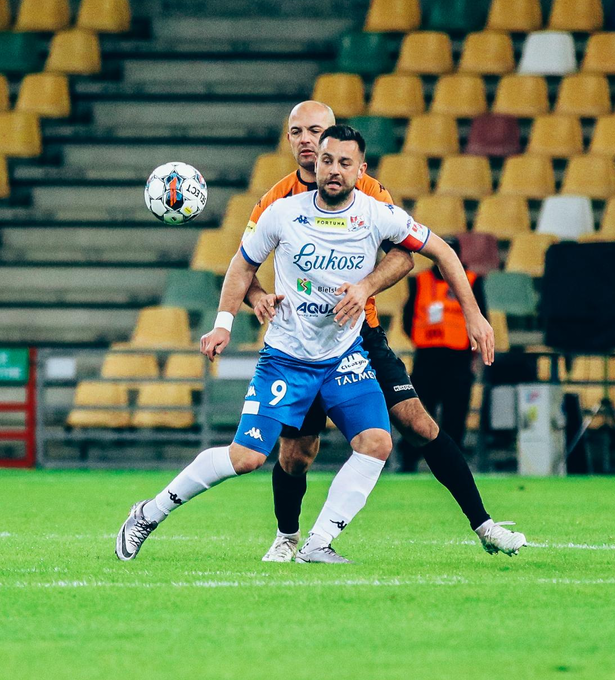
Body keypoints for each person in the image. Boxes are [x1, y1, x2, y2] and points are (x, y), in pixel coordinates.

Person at [116, 125, 495, 563]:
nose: (334, 170)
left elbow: (441, 251)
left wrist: (473, 315)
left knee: (377, 442)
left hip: (344, 356)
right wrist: (223, 324)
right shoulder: (282, 212)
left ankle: (318, 543)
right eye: (327, 160)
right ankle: (148, 513)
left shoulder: (378, 214)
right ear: (317, 163)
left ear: (361, 170)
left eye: (345, 163)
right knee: (247, 458)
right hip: (287, 359)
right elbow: (241, 266)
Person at [246, 101, 526, 561]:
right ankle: (287, 538)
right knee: (297, 454)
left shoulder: (369, 191)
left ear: (335, 138)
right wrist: (257, 296)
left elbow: (404, 253)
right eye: (296, 132)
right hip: (301, 343)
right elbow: (241, 268)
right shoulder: (275, 202)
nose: (306, 140)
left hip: (361, 335)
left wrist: (368, 287)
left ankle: (485, 525)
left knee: (419, 423)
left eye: (316, 130)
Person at [398, 238, 480, 472]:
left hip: (459, 359)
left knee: (456, 414)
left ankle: (453, 464)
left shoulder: (472, 280)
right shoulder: (420, 281)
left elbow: (479, 317)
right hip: (427, 357)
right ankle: (409, 460)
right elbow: (408, 317)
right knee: (418, 411)